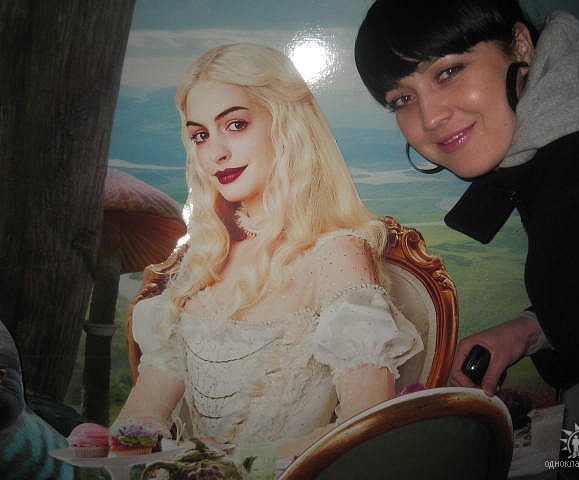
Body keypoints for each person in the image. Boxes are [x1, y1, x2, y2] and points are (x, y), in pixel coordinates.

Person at [355, 0, 579, 475]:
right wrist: (532, 329)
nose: (429, 117)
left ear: (521, 45)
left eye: (448, 72)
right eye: (402, 99)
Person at [113, 43, 423, 465]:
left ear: (287, 124)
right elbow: (140, 419)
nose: (216, 152)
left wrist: (225, 469)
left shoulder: (336, 253)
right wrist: (114, 447)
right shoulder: (203, 260)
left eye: (235, 124)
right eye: (200, 135)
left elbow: (362, 428)